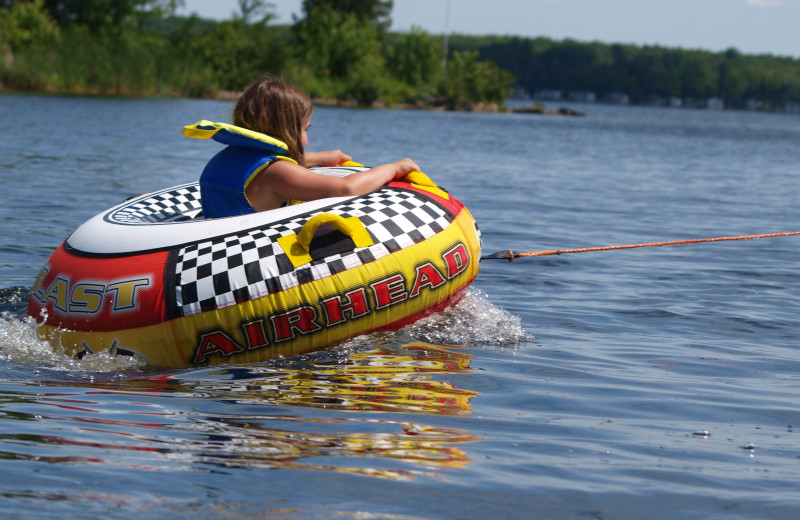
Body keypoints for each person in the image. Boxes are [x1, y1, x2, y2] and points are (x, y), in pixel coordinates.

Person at [189, 75, 420, 219]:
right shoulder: (277, 173)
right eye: (305, 130)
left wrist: (318, 157)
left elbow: (266, 165)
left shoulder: (229, 157)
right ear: (286, 128)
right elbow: (345, 189)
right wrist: (394, 167)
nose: (306, 140)